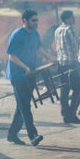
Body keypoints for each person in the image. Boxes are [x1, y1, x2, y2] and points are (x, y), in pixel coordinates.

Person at [6, 9, 51, 146]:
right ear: (24, 21)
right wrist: (25, 67)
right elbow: (11, 55)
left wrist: (51, 59)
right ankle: (33, 135)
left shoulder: (35, 34)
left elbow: (39, 49)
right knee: (25, 106)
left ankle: (12, 135)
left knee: (22, 106)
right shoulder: (17, 34)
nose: (36, 23)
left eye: (37, 20)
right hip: (18, 75)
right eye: (33, 20)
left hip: (31, 74)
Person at [54, 10, 80, 124]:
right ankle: (71, 114)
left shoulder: (57, 30)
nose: (74, 19)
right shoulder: (69, 29)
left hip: (61, 64)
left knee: (64, 89)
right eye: (72, 17)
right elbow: (76, 45)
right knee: (78, 88)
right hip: (72, 63)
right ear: (67, 19)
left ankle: (65, 113)